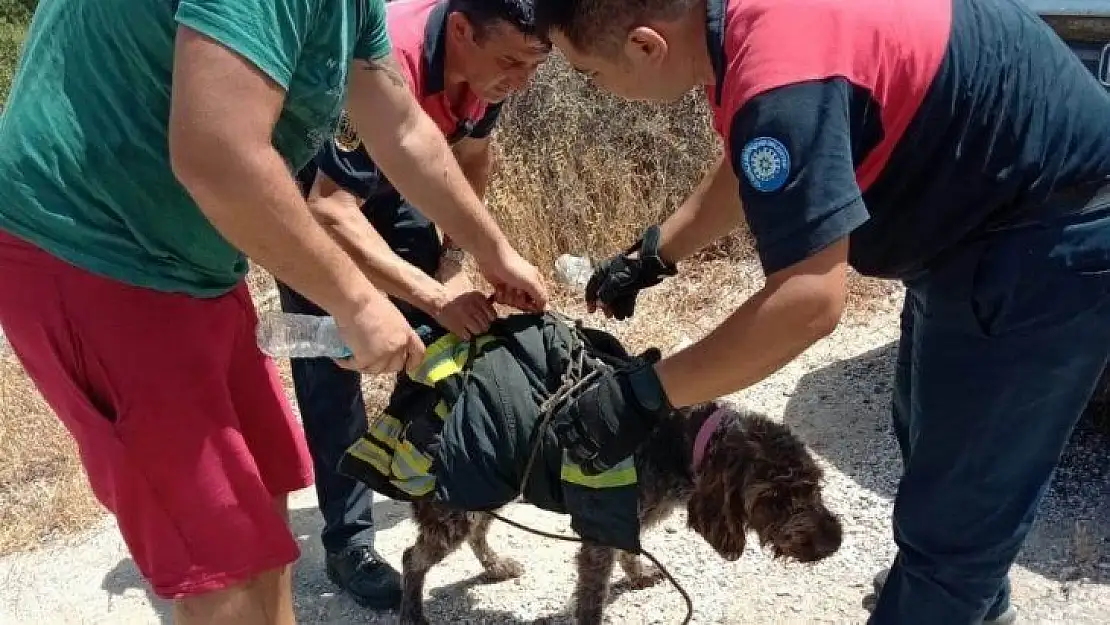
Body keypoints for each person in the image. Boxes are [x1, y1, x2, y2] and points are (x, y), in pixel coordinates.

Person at [529, 0, 1110, 623]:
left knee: (955, 522)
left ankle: (947, 597)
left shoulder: (781, 73)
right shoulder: (742, 31)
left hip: (1046, 236)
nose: (603, 91)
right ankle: (970, 602)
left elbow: (806, 304)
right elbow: (758, 163)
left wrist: (643, 395)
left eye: (590, 74)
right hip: (972, 233)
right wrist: (654, 254)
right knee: (927, 433)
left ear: (646, 45)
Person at [0, 0, 547, 623]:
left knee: (264, 512)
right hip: (93, 253)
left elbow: (402, 128)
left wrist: (493, 252)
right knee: (221, 564)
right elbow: (218, 153)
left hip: (198, 267)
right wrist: (360, 302)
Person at [275, 0, 549, 608]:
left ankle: (406, 462)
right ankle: (350, 542)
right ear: (460, 30)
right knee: (332, 366)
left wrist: (455, 265)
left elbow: (472, 159)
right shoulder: (382, 61)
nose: (519, 79)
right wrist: (427, 294)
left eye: (533, 65)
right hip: (305, 197)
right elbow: (330, 208)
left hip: (391, 182)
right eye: (510, 61)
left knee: (447, 339)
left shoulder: (490, 70)